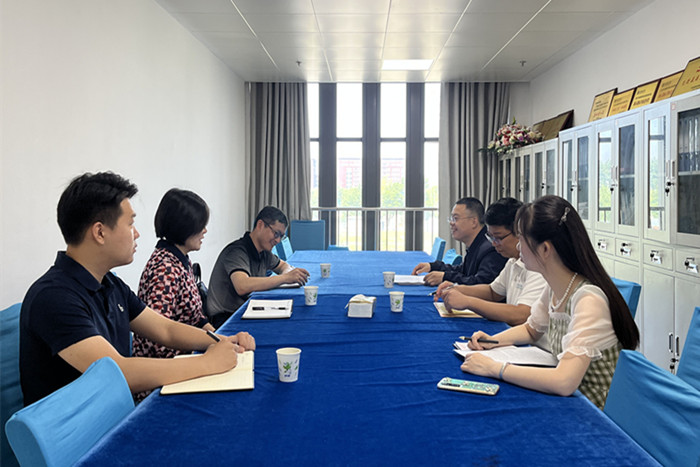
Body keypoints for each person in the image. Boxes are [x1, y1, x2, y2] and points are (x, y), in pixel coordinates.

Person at [19, 172, 255, 406]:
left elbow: (166, 329)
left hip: (115, 411)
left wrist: (223, 340)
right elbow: (117, 372)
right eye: (130, 223)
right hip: (85, 427)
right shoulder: (53, 297)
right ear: (100, 232)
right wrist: (206, 363)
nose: (137, 233)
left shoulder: (110, 283)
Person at [460, 195, 639, 410]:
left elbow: (564, 382)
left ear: (545, 249)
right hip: (567, 401)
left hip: (592, 411)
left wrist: (495, 368)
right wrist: (492, 341)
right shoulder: (555, 286)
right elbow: (531, 330)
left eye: (522, 239)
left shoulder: (588, 299)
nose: (518, 246)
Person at [132, 188, 215, 363]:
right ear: (183, 226)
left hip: (188, 355)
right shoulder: (165, 269)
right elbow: (157, 343)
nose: (205, 230)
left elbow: (196, 318)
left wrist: (218, 338)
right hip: (166, 368)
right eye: (200, 225)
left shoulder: (180, 258)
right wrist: (204, 353)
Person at [435, 197, 546, 326]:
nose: (493, 244)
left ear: (519, 233)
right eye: (490, 237)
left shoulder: (537, 267)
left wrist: (468, 302)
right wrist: (457, 288)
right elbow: (493, 292)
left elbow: (521, 315)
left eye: (498, 238)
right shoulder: (513, 261)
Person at [206, 206, 310, 328]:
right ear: (260, 225)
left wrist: (286, 273)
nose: (277, 240)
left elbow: (283, 265)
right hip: (226, 319)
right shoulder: (236, 252)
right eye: (276, 234)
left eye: (281, 236)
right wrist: (285, 278)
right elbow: (242, 286)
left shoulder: (263, 252)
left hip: (248, 310)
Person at [411, 197, 506, 287]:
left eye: (455, 218)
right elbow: (463, 271)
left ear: (474, 222)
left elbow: (481, 283)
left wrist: (445, 277)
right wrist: (433, 266)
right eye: (451, 219)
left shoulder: (491, 248)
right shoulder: (478, 243)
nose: (451, 223)